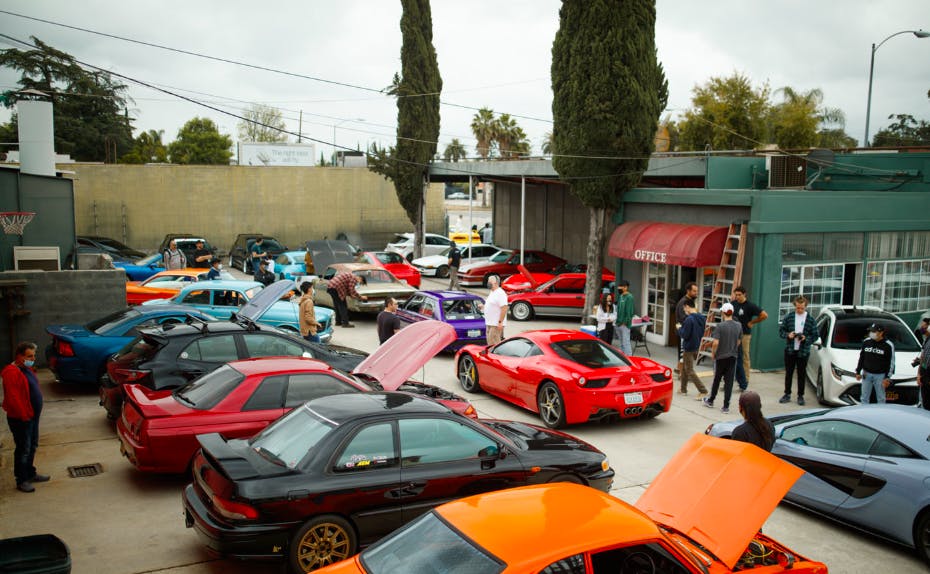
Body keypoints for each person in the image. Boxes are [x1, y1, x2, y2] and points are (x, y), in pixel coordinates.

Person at [2, 342, 50, 493]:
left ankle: (30, 473)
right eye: (29, 356)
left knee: (32, 446)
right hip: (22, 419)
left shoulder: (26, 369)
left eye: (34, 356)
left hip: (31, 417)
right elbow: (14, 397)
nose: (33, 358)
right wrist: (24, 416)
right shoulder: (11, 372)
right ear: (20, 356)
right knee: (23, 449)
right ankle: (21, 479)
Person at [778, 295, 819, 406]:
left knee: (801, 374)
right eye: (797, 308)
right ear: (795, 306)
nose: (799, 310)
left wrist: (806, 338)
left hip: (803, 351)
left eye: (802, 308)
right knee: (789, 373)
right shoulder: (789, 317)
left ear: (806, 307)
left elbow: (815, 335)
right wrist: (788, 334)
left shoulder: (810, 319)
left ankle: (800, 395)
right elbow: (781, 331)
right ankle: (787, 394)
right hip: (790, 349)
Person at [703, 302, 743, 413]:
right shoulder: (738, 325)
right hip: (732, 356)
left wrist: (713, 353)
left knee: (717, 379)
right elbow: (739, 340)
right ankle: (726, 406)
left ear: (723, 313)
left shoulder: (720, 326)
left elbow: (715, 343)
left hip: (721, 356)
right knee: (729, 381)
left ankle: (711, 400)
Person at [731, 286, 768, 392]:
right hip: (733, 334)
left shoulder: (750, 306)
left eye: (739, 295)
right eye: (736, 295)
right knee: (733, 356)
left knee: (744, 357)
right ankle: (735, 377)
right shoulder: (733, 304)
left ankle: (745, 379)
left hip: (744, 334)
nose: (737, 297)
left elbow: (764, 315)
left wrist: (752, 322)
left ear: (744, 294)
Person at [855, 323, 895, 405]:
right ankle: (864, 414)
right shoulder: (866, 342)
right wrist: (858, 371)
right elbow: (862, 357)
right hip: (866, 373)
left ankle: (880, 415)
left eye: (874, 331)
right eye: (871, 331)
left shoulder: (888, 345)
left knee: (881, 398)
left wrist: (887, 377)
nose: (871, 333)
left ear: (881, 333)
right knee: (864, 397)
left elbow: (891, 362)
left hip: (880, 376)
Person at [677, 305, 708, 397]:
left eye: (684, 309)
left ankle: (703, 390)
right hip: (696, 345)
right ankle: (683, 389)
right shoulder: (702, 317)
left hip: (689, 346)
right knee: (684, 368)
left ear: (687, 307)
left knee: (689, 370)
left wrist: (679, 328)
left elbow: (684, 335)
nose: (684, 311)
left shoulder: (689, 319)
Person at [674, 282, 699, 371]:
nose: (696, 293)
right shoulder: (684, 302)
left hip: (687, 332)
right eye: (694, 291)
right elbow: (683, 319)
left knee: (684, 355)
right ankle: (682, 373)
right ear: (688, 291)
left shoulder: (690, 301)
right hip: (683, 333)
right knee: (683, 355)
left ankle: (679, 370)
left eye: (697, 291)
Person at [483, 275, 509, 346]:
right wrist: (483, 307)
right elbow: (492, 305)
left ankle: (496, 356)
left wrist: (500, 322)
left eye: (490, 282)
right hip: (489, 323)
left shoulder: (500, 293)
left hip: (495, 324)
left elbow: (504, 308)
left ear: (495, 283)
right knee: (490, 343)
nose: (488, 283)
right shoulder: (492, 292)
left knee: (494, 344)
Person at [614, 280, 634, 355]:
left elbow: (629, 312)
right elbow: (618, 309)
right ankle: (623, 358)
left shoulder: (629, 297)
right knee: (621, 343)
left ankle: (629, 358)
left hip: (624, 324)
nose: (619, 289)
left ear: (626, 287)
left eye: (620, 287)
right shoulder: (621, 296)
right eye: (618, 287)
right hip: (618, 323)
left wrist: (624, 322)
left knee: (626, 343)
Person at [916, 333, 930, 411]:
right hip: (924, 374)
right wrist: (919, 374)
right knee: (925, 402)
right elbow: (923, 356)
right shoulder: (927, 339)